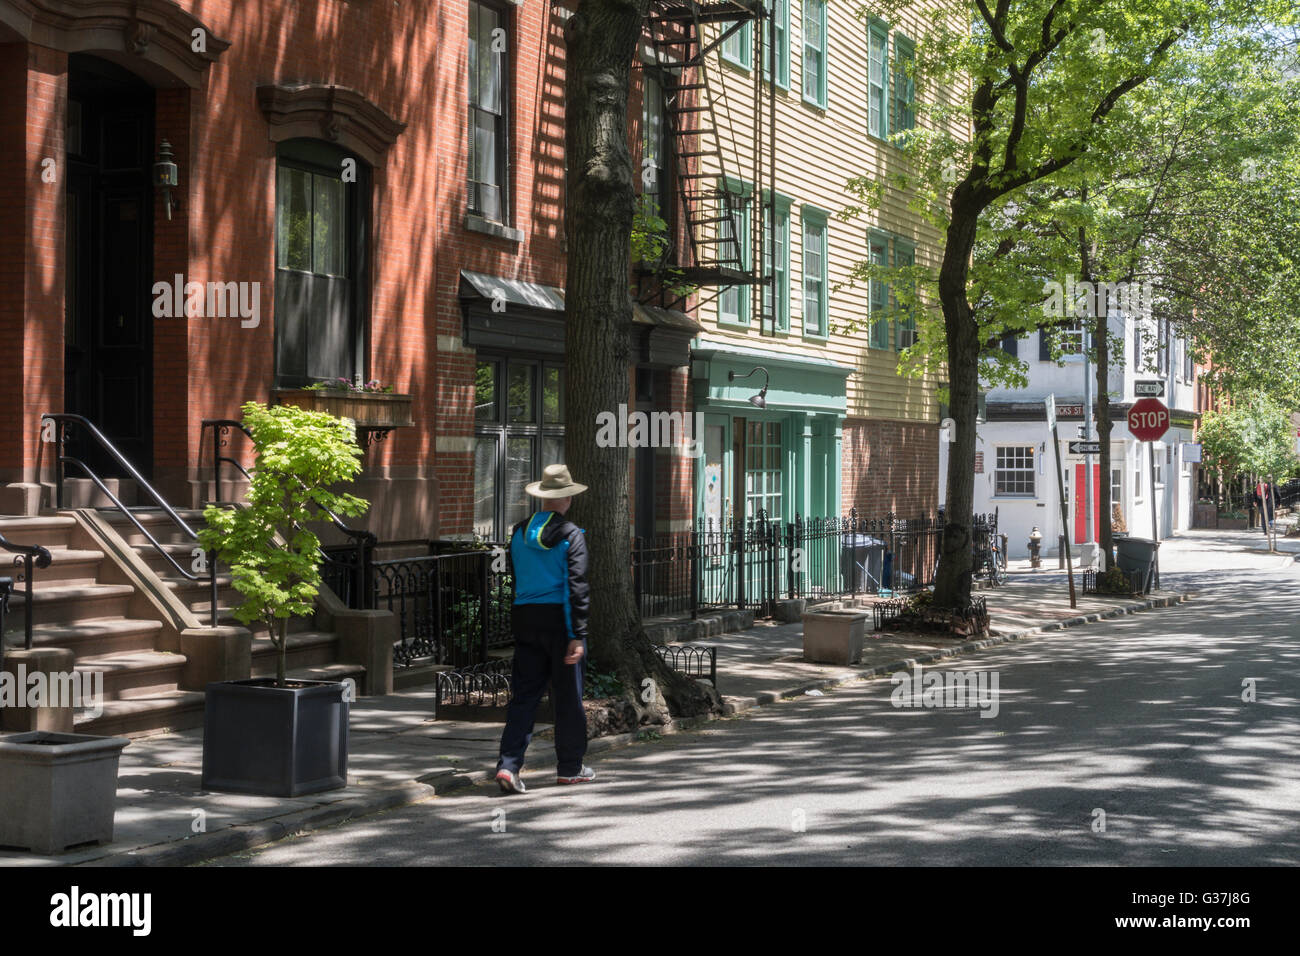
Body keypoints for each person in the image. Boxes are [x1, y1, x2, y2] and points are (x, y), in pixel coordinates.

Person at [495, 463, 594, 794]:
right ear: (567, 498)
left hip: (525, 619)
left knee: (523, 697)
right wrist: (576, 635)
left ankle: (509, 766)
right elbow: (576, 587)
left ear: (542, 498)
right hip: (560, 623)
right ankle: (569, 767)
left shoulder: (519, 532)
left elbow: (517, 576)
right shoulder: (571, 535)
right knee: (567, 698)